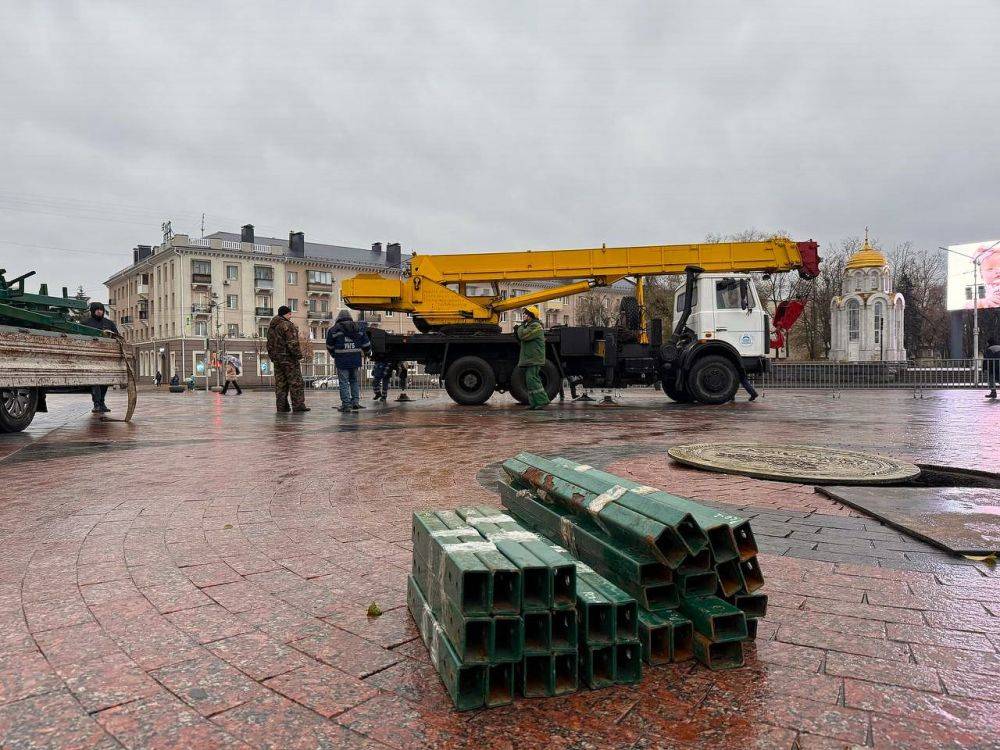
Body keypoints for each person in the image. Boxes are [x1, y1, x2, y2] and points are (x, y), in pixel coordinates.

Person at [326, 309, 372, 411]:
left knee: (343, 382)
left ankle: (346, 405)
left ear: (338, 318)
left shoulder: (334, 330)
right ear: (350, 317)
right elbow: (366, 343)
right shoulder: (358, 328)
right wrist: (368, 353)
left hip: (341, 360)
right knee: (354, 381)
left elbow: (329, 345)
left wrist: (334, 354)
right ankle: (355, 402)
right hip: (355, 360)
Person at [266, 305, 310, 413]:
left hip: (277, 360)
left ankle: (282, 407)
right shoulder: (287, 325)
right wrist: (298, 355)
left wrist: (273, 357)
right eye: (290, 314)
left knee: (281, 384)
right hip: (289, 360)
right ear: (286, 314)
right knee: (296, 383)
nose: (291, 316)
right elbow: (292, 343)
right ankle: (298, 405)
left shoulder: (272, 327)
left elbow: (269, 345)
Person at [81, 301, 119, 413]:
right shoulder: (85, 323)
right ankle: (97, 403)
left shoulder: (109, 323)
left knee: (105, 381)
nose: (99, 311)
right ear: (93, 311)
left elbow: (116, 337)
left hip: (106, 357)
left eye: (101, 309)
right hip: (91, 357)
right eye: (97, 309)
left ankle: (102, 402)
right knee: (96, 381)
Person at [513, 306, 549, 410]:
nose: (523, 315)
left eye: (526, 314)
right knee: (529, 380)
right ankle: (534, 403)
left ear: (531, 316)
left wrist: (519, 328)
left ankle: (542, 401)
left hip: (534, 358)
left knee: (532, 379)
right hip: (530, 358)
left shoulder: (536, 326)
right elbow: (522, 339)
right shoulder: (528, 325)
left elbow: (524, 335)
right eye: (523, 313)